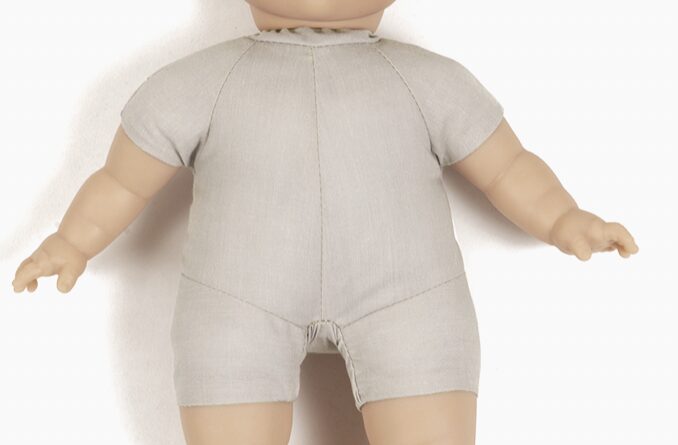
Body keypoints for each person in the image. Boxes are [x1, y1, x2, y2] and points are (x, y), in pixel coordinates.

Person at [11, 0, 639, 443]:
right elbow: (123, 180)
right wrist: (71, 241)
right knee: (225, 383)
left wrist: (565, 219)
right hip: (236, 303)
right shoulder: (198, 82)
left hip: (409, 299)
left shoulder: (429, 80)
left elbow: (507, 168)